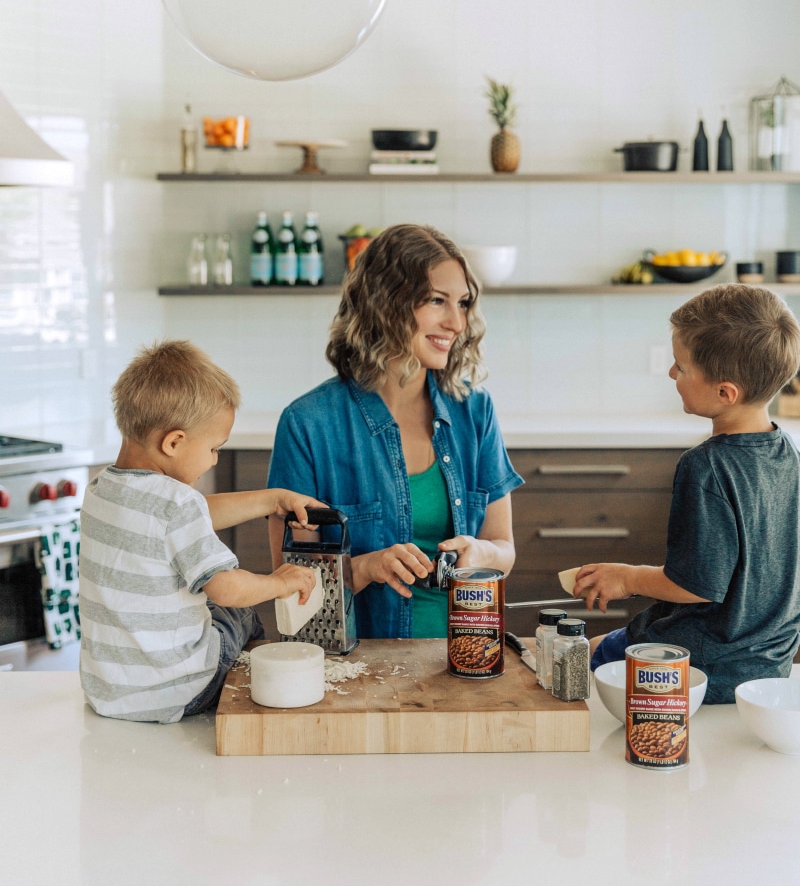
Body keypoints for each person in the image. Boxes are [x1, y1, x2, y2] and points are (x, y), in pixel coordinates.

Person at [267, 223, 523, 639]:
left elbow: (503, 548)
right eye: (437, 301)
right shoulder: (309, 423)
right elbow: (289, 582)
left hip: (466, 655)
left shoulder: (475, 411)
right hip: (361, 666)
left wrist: (481, 553)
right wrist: (366, 567)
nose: (457, 323)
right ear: (385, 304)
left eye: (462, 303)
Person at [576, 283, 800, 704]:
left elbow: (697, 583)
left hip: (693, 666)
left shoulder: (706, 466)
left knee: (572, 659)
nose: (671, 374)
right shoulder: (788, 454)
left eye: (681, 367)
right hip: (765, 666)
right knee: (604, 642)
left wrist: (626, 577)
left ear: (725, 392)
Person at [79, 340, 320, 723]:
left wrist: (270, 499)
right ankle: (253, 686)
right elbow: (227, 588)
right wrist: (279, 581)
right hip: (181, 691)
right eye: (214, 448)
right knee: (235, 613)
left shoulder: (101, 490)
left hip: (110, 693)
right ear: (174, 442)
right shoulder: (178, 503)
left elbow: (180, 521)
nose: (215, 459)